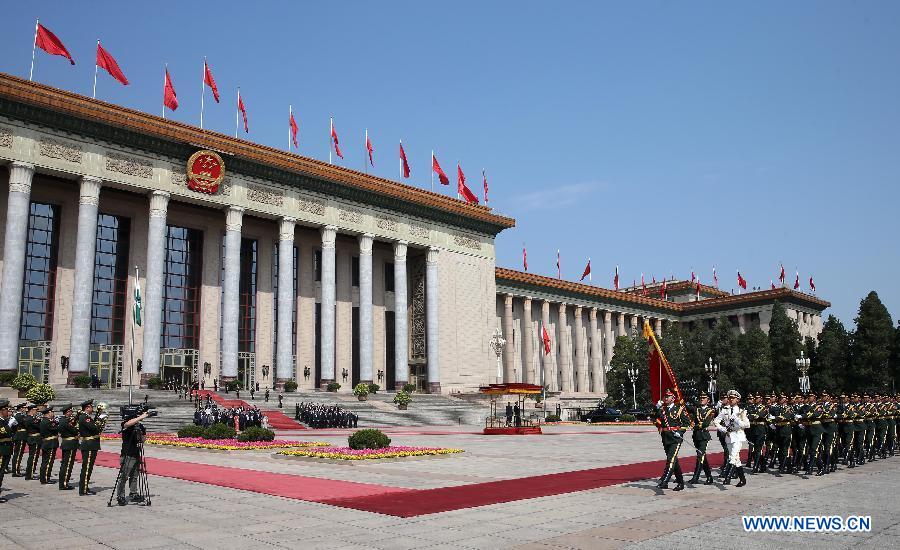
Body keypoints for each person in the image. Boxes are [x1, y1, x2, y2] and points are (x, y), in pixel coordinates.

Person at [653, 388, 688, 491]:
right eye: (665, 396)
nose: (665, 398)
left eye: (668, 396)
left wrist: (680, 432)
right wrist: (656, 407)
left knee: (670, 459)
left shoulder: (679, 409)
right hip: (665, 437)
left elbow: (687, 423)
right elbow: (653, 417)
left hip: (675, 438)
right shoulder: (662, 409)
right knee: (674, 460)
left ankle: (665, 482)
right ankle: (681, 483)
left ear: (673, 398)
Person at [713, 389, 750, 487]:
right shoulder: (725, 410)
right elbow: (716, 421)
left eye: (733, 398)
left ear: (737, 400)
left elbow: (747, 425)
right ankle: (742, 479)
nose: (730, 399)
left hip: (738, 435)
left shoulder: (741, 411)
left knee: (732, 457)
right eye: (729, 398)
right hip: (729, 436)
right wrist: (722, 429)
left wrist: (737, 420)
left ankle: (727, 477)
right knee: (736, 459)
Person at [116, 405, 151, 506]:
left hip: (136, 453)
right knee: (124, 476)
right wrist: (141, 417)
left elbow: (143, 440)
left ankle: (133, 493)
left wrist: (142, 434)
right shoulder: (127, 423)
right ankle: (120, 496)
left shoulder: (139, 426)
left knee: (135, 475)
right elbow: (126, 425)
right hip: (127, 454)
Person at [688, 391, 715, 485]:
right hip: (696, 435)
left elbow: (705, 424)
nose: (701, 399)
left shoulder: (711, 411)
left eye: (704, 398)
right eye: (701, 398)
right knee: (702, 456)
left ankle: (695, 477)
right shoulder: (697, 409)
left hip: (704, 436)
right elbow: (686, 408)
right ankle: (709, 477)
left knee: (700, 456)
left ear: (708, 400)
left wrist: (695, 426)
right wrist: (681, 400)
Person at [78, 400, 103, 495]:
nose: (93, 409)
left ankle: (85, 487)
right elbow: (94, 429)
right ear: (87, 408)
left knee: (88, 468)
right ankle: (83, 489)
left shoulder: (87, 417)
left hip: (91, 444)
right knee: (87, 468)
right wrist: (100, 422)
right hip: (89, 445)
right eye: (91, 407)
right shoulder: (85, 418)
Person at [57, 403, 78, 490]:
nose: (72, 413)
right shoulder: (66, 421)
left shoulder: (62, 420)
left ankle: (63, 483)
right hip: (70, 444)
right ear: (67, 412)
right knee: (67, 464)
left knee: (65, 464)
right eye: (71, 411)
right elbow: (75, 431)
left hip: (66, 443)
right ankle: (64, 484)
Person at [38, 405, 59, 484]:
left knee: (45, 461)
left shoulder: (44, 421)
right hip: (50, 443)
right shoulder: (47, 422)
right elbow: (56, 428)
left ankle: (44, 478)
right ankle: (46, 478)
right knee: (48, 462)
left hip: (47, 443)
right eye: (52, 412)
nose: (53, 413)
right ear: (48, 413)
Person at [24, 403, 41, 481]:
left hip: (32, 438)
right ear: (32, 410)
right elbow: (39, 426)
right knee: (33, 457)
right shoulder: (31, 419)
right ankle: (29, 474)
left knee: (32, 456)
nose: (36, 412)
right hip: (34, 439)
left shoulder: (27, 418)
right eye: (35, 410)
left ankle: (29, 473)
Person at [0, 399, 13, 503]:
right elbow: (4, 433)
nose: (8, 412)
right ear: (1, 411)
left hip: (5, 449)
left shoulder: (4, 421)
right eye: (6, 410)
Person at [10, 402, 27, 477]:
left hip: (18, 436)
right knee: (18, 454)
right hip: (20, 436)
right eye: (24, 408)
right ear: (21, 409)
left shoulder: (16, 416)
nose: (25, 409)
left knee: (17, 454)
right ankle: (16, 471)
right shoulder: (20, 416)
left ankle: (16, 470)